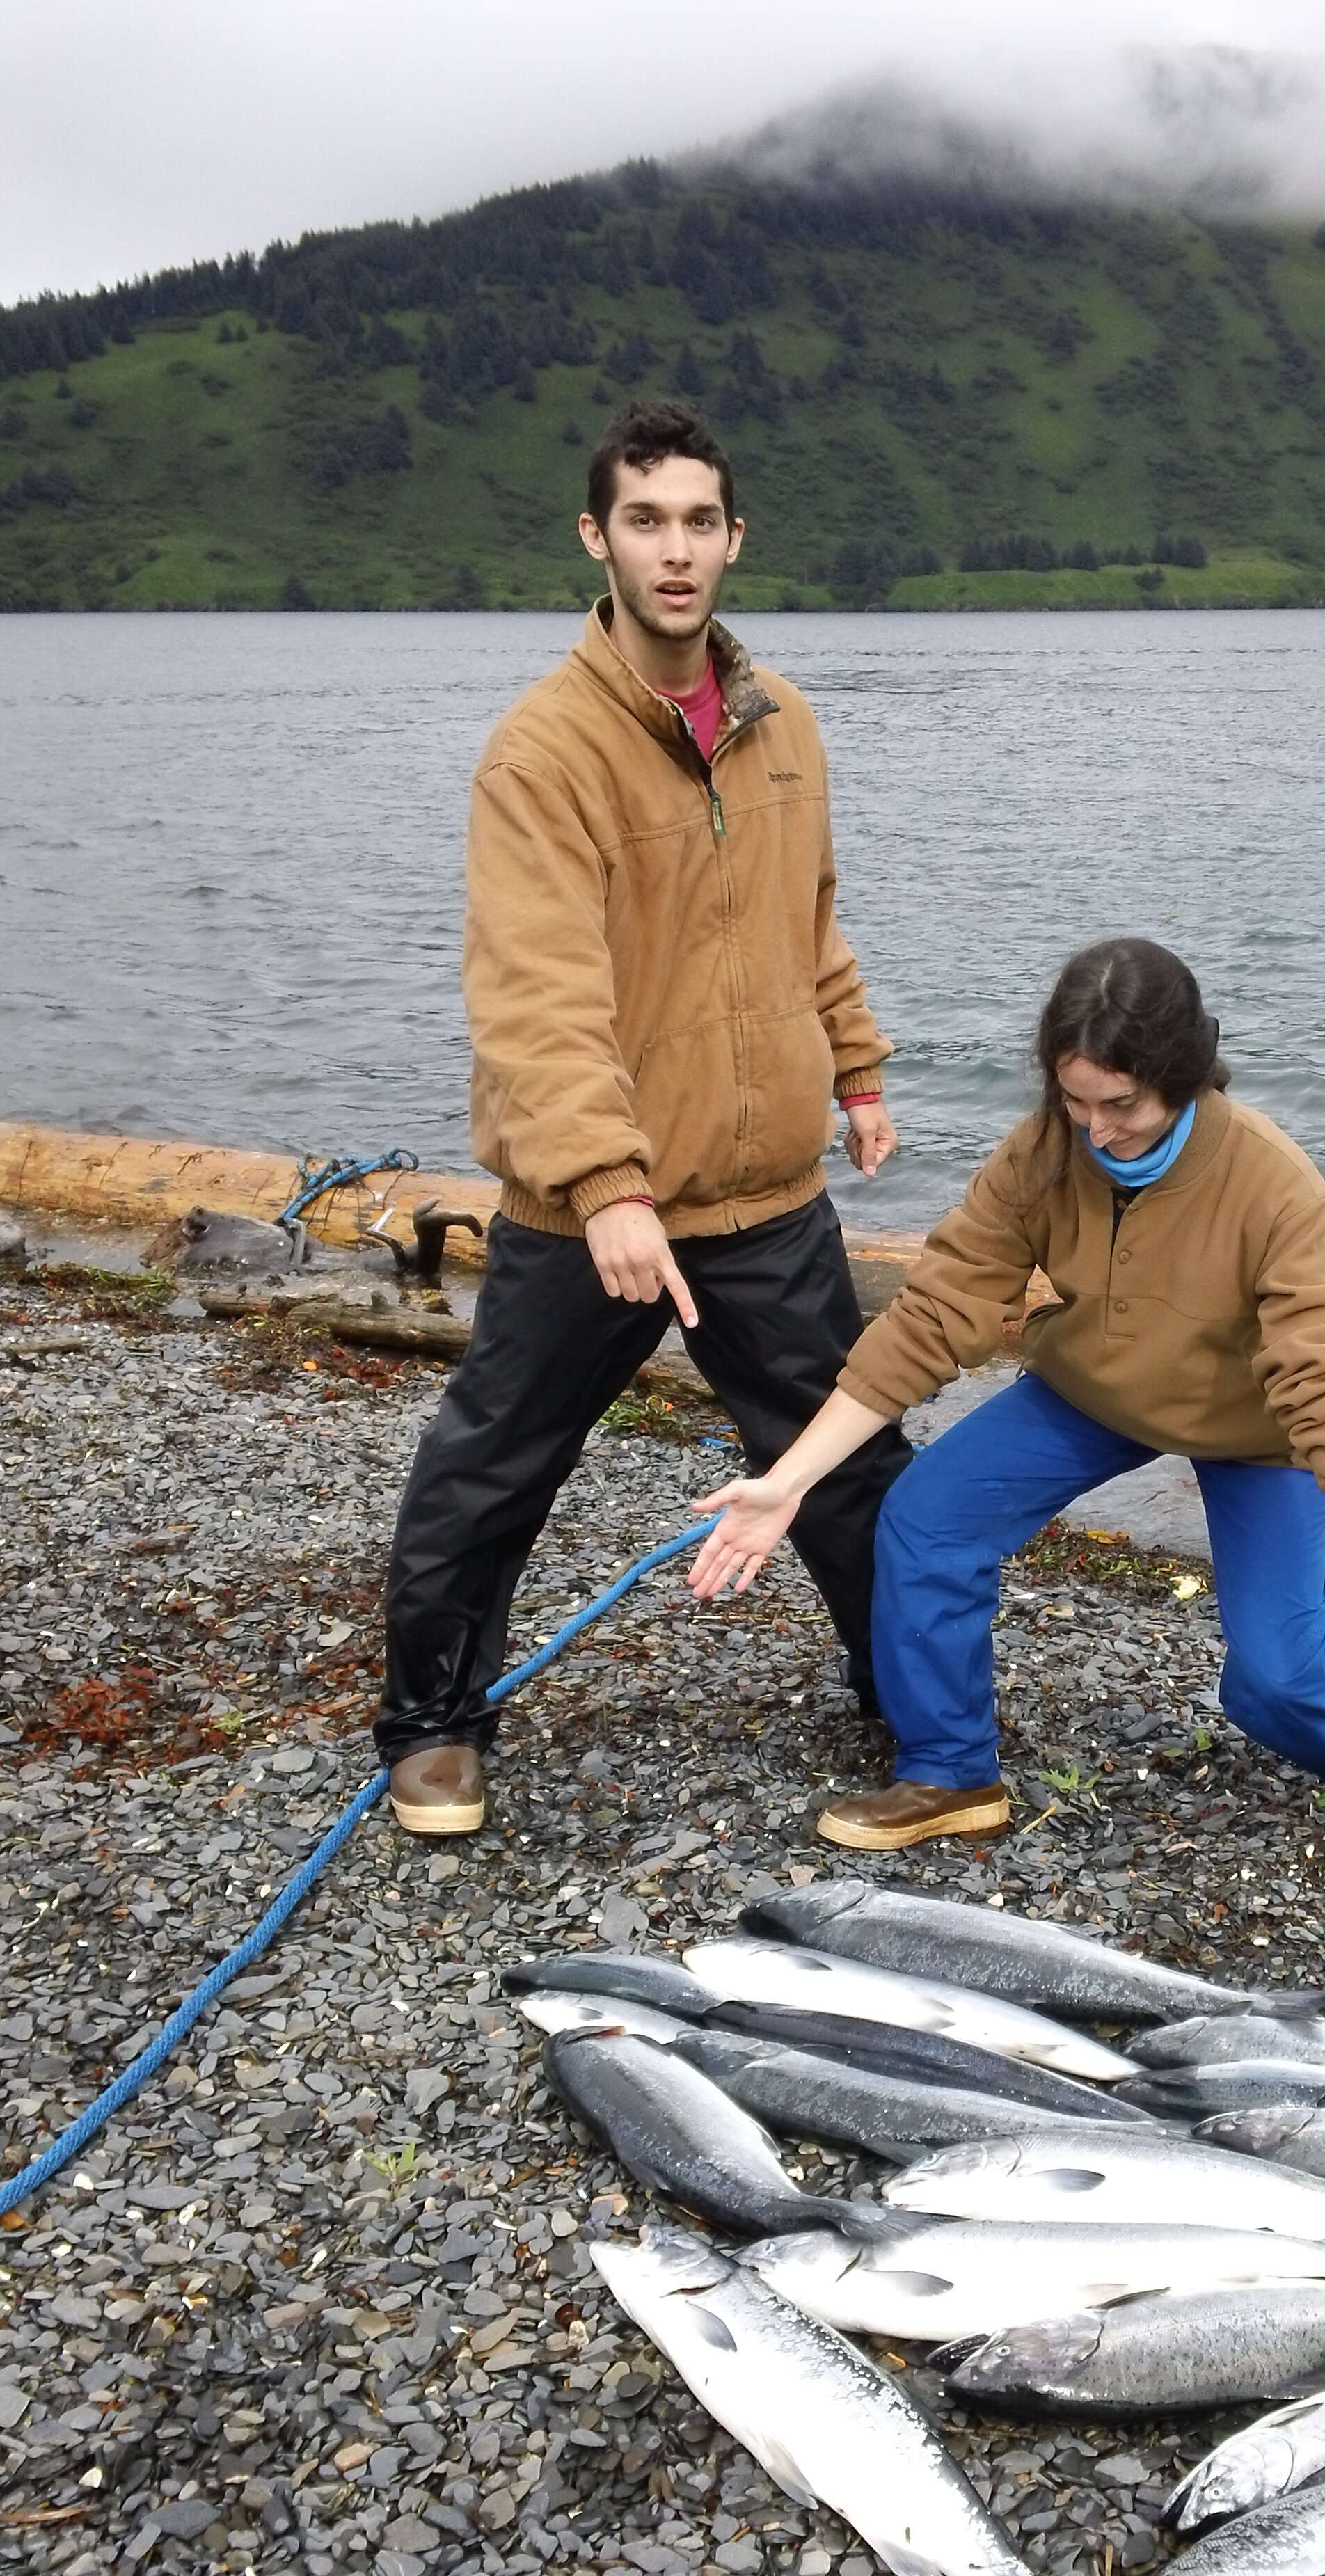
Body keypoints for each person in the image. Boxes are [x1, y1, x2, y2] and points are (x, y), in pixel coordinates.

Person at [374, 398, 910, 1836]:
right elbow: (536, 992)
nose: (674, 552)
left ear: (734, 538)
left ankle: (912, 1697)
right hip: (591, 1208)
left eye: (697, 522)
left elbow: (809, 919)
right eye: (644, 521)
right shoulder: (542, 751)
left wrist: (854, 1067)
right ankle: (432, 1725)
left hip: (761, 1195)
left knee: (850, 1464)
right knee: (495, 1465)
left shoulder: (780, 721)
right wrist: (606, 1183)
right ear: (597, 538)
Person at [687, 937, 1325, 1848]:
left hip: (1250, 1426)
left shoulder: (1274, 1184)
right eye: (1073, 1099)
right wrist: (789, 1481)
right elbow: (932, 1319)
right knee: (925, 1519)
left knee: (1271, 1683)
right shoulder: (1042, 1151)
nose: (1095, 1129)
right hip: (1094, 1389)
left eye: (1122, 1104)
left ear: (1186, 1076)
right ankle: (950, 1773)